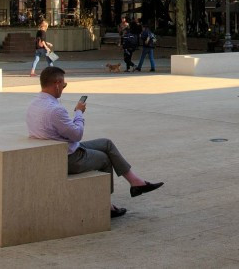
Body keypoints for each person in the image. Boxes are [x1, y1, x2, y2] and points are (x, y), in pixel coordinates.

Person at [26, 66, 162, 218]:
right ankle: (106, 204)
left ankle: (136, 182)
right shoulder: (55, 109)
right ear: (57, 83)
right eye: (64, 85)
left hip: (56, 149)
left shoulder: (34, 103)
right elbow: (77, 134)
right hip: (67, 157)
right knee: (104, 159)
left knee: (106, 144)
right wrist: (78, 112)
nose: (63, 88)